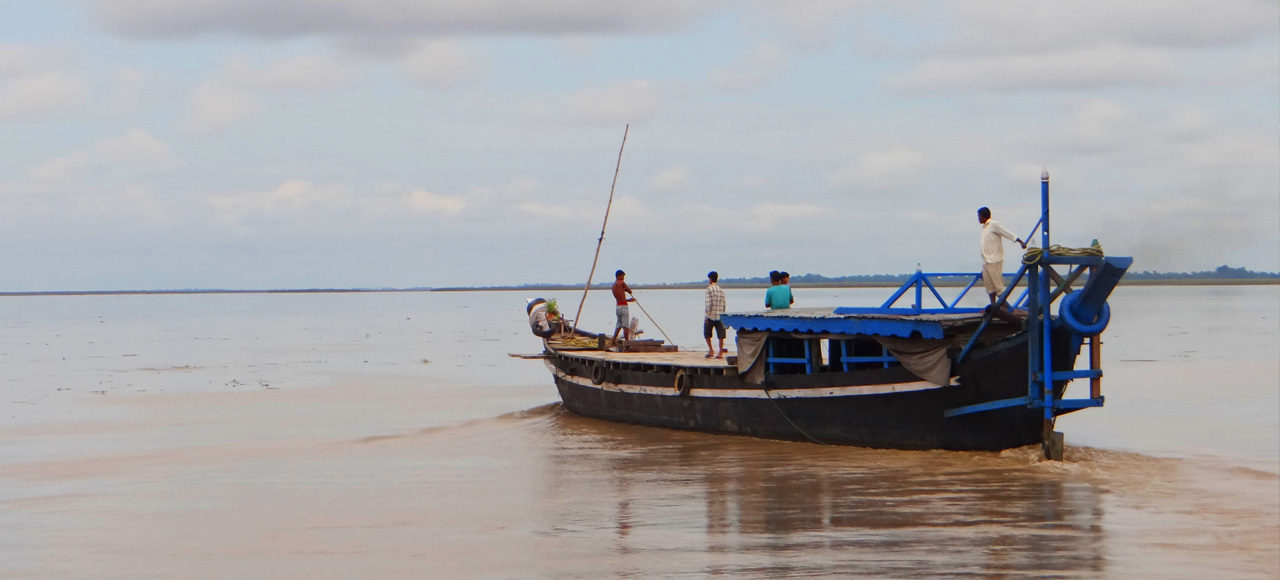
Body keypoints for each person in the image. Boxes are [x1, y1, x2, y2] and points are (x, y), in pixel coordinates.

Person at [978, 206, 1027, 307]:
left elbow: (1007, 233)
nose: (978, 219)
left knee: (998, 286)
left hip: (994, 259)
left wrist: (1020, 241)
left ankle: (1005, 308)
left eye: (979, 216)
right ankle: (993, 306)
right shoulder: (985, 228)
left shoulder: (993, 224)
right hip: (986, 261)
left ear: (984, 216)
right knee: (989, 287)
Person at [703, 271, 727, 358]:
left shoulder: (709, 289)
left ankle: (711, 350)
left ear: (710, 279)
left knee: (707, 333)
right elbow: (724, 304)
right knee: (721, 335)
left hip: (711, 315)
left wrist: (706, 315)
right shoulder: (721, 290)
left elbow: (708, 304)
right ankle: (720, 353)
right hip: (720, 315)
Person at [610, 269, 636, 343]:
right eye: (623, 276)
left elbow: (620, 296)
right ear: (619, 276)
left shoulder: (613, 286)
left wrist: (623, 290)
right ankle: (627, 343)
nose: (623, 278)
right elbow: (629, 290)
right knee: (626, 326)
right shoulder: (621, 282)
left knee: (618, 326)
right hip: (624, 307)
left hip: (618, 308)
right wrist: (630, 299)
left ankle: (613, 340)